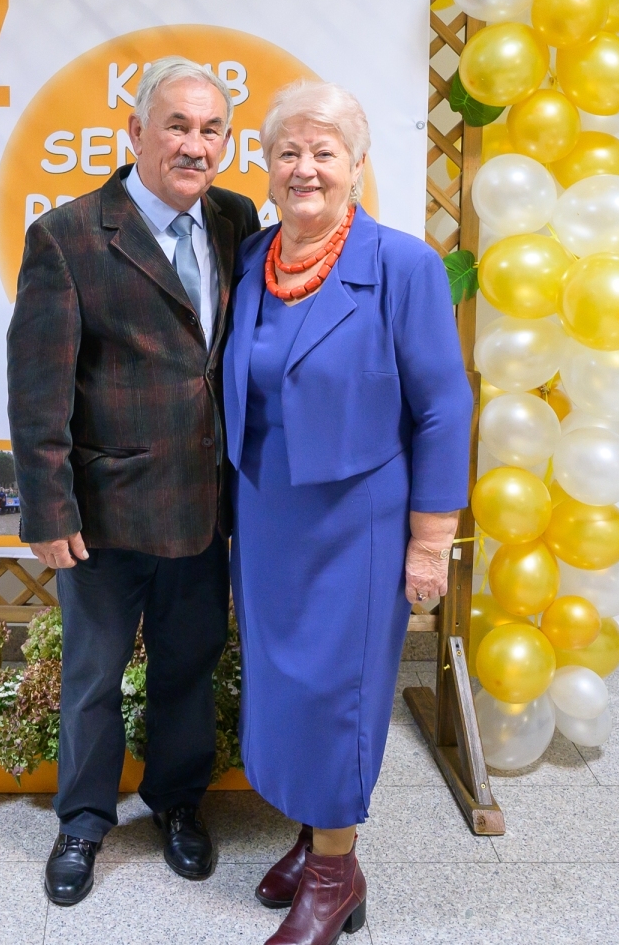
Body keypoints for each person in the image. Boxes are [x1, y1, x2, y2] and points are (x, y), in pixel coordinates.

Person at [8, 56, 262, 908]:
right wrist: (48, 508)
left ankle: (178, 804)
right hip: (104, 512)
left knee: (189, 666)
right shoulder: (68, 235)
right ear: (136, 132)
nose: (195, 145)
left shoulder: (234, 217)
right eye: (177, 126)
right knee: (93, 677)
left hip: (204, 506)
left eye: (211, 129)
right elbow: (38, 388)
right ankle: (82, 822)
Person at [225, 81, 472, 945]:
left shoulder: (404, 265)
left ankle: (335, 875)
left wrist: (430, 541)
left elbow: (443, 406)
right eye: (287, 151)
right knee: (284, 687)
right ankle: (313, 838)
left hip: (358, 520)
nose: (305, 168)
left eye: (324, 151)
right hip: (268, 514)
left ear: (357, 165)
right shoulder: (253, 258)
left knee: (338, 692)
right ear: (266, 165)